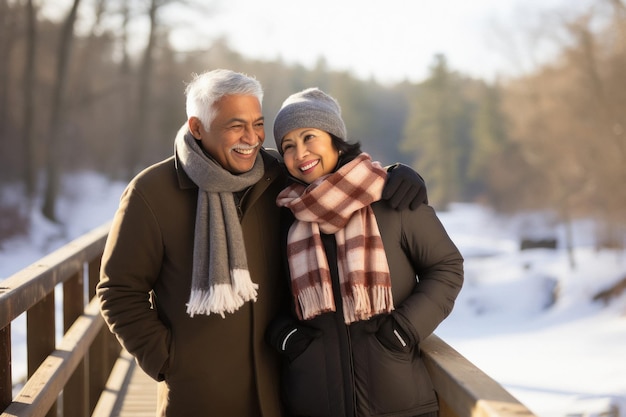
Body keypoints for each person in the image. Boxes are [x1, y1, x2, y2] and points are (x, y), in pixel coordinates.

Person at [96, 69, 428, 416]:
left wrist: (393, 175)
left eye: (258, 123)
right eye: (236, 125)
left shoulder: (276, 175)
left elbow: (336, 176)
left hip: (280, 391)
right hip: (200, 397)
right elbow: (118, 291)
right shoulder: (152, 193)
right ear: (197, 127)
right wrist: (167, 360)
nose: (252, 138)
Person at [266, 88, 464, 417]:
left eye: (309, 137)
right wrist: (287, 339)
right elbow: (266, 294)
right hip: (313, 404)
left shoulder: (392, 198)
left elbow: (446, 267)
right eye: (288, 146)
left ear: (335, 139)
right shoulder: (284, 216)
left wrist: (404, 330)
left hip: (400, 404)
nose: (300, 153)